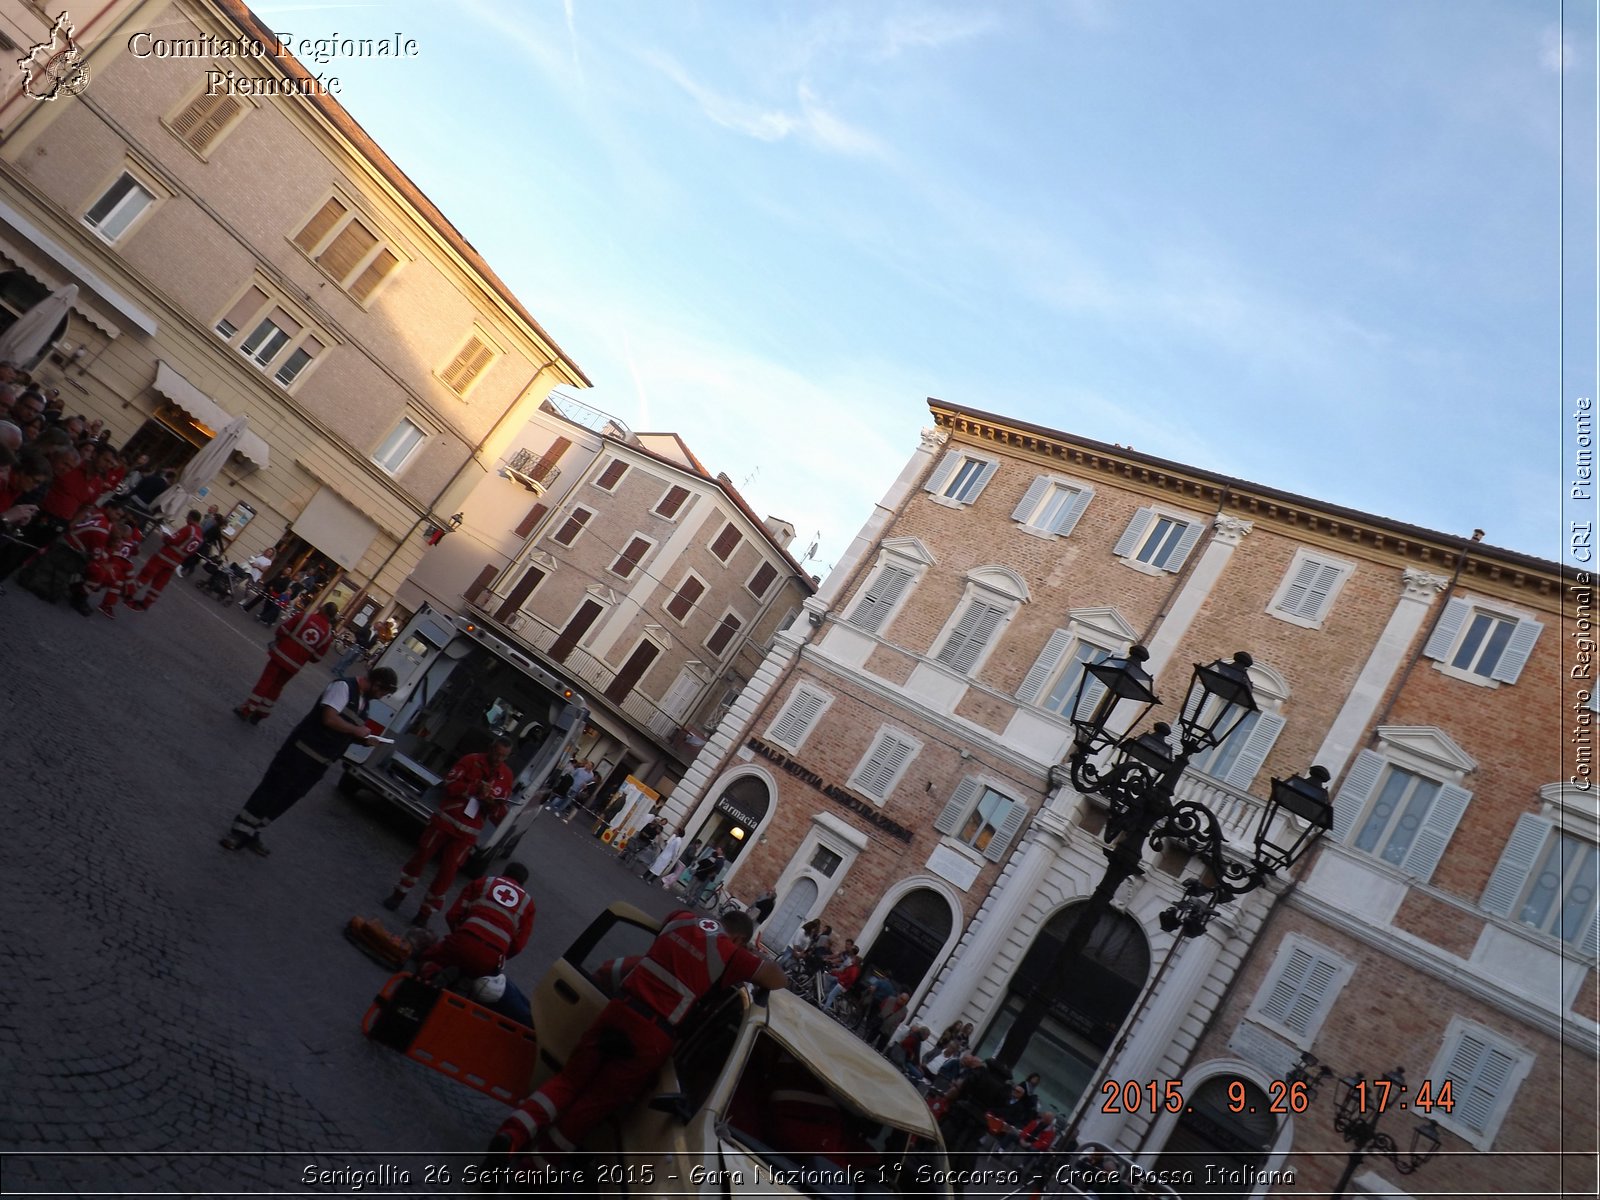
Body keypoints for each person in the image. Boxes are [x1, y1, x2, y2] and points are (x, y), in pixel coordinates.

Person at [488, 908, 788, 1160]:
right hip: (653, 1033)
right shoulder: (731, 954)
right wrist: (744, 954)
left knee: (569, 1080)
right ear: (737, 939)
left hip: (620, 1008)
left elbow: (664, 931)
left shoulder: (682, 917)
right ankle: (537, 1166)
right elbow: (777, 978)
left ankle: (512, 1133)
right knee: (595, 1101)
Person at [219, 667, 398, 855]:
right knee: (272, 790)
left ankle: (254, 830)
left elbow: (346, 729)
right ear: (376, 683)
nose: (381, 697)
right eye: (383, 692)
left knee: (288, 797)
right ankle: (239, 831)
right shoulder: (343, 687)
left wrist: (363, 740)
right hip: (301, 751)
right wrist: (355, 731)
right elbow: (329, 718)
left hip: (320, 762)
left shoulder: (364, 703)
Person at [383, 735, 517, 926]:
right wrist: (474, 788)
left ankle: (425, 913)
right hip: (445, 822)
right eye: (496, 753)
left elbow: (499, 814)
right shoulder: (471, 761)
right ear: (490, 748)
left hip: (467, 833)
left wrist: (491, 804)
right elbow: (450, 786)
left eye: (503, 756)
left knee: (448, 873)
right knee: (421, 856)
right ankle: (399, 894)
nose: (498, 759)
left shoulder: (506, 777)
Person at [416, 861, 535, 982]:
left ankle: (433, 974)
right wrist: (499, 954)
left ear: (504, 873)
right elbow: (518, 946)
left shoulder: (484, 882)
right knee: (483, 985)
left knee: (428, 956)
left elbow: (452, 915)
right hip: (492, 957)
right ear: (522, 883)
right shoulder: (528, 904)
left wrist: (460, 934)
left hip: (463, 941)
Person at [234, 603, 338, 724]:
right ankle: (261, 713)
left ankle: (247, 709)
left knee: (266, 681)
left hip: (280, 655)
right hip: (295, 665)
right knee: (277, 686)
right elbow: (316, 657)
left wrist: (282, 641)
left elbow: (283, 630)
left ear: (323, 608)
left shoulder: (304, 617)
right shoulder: (327, 635)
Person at [124, 509, 205, 610]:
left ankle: (129, 593)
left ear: (191, 517)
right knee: (159, 583)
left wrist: (165, 537)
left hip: (164, 556)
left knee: (145, 574)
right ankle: (146, 603)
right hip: (175, 562)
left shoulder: (189, 529)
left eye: (187, 518)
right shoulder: (200, 536)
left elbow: (174, 540)